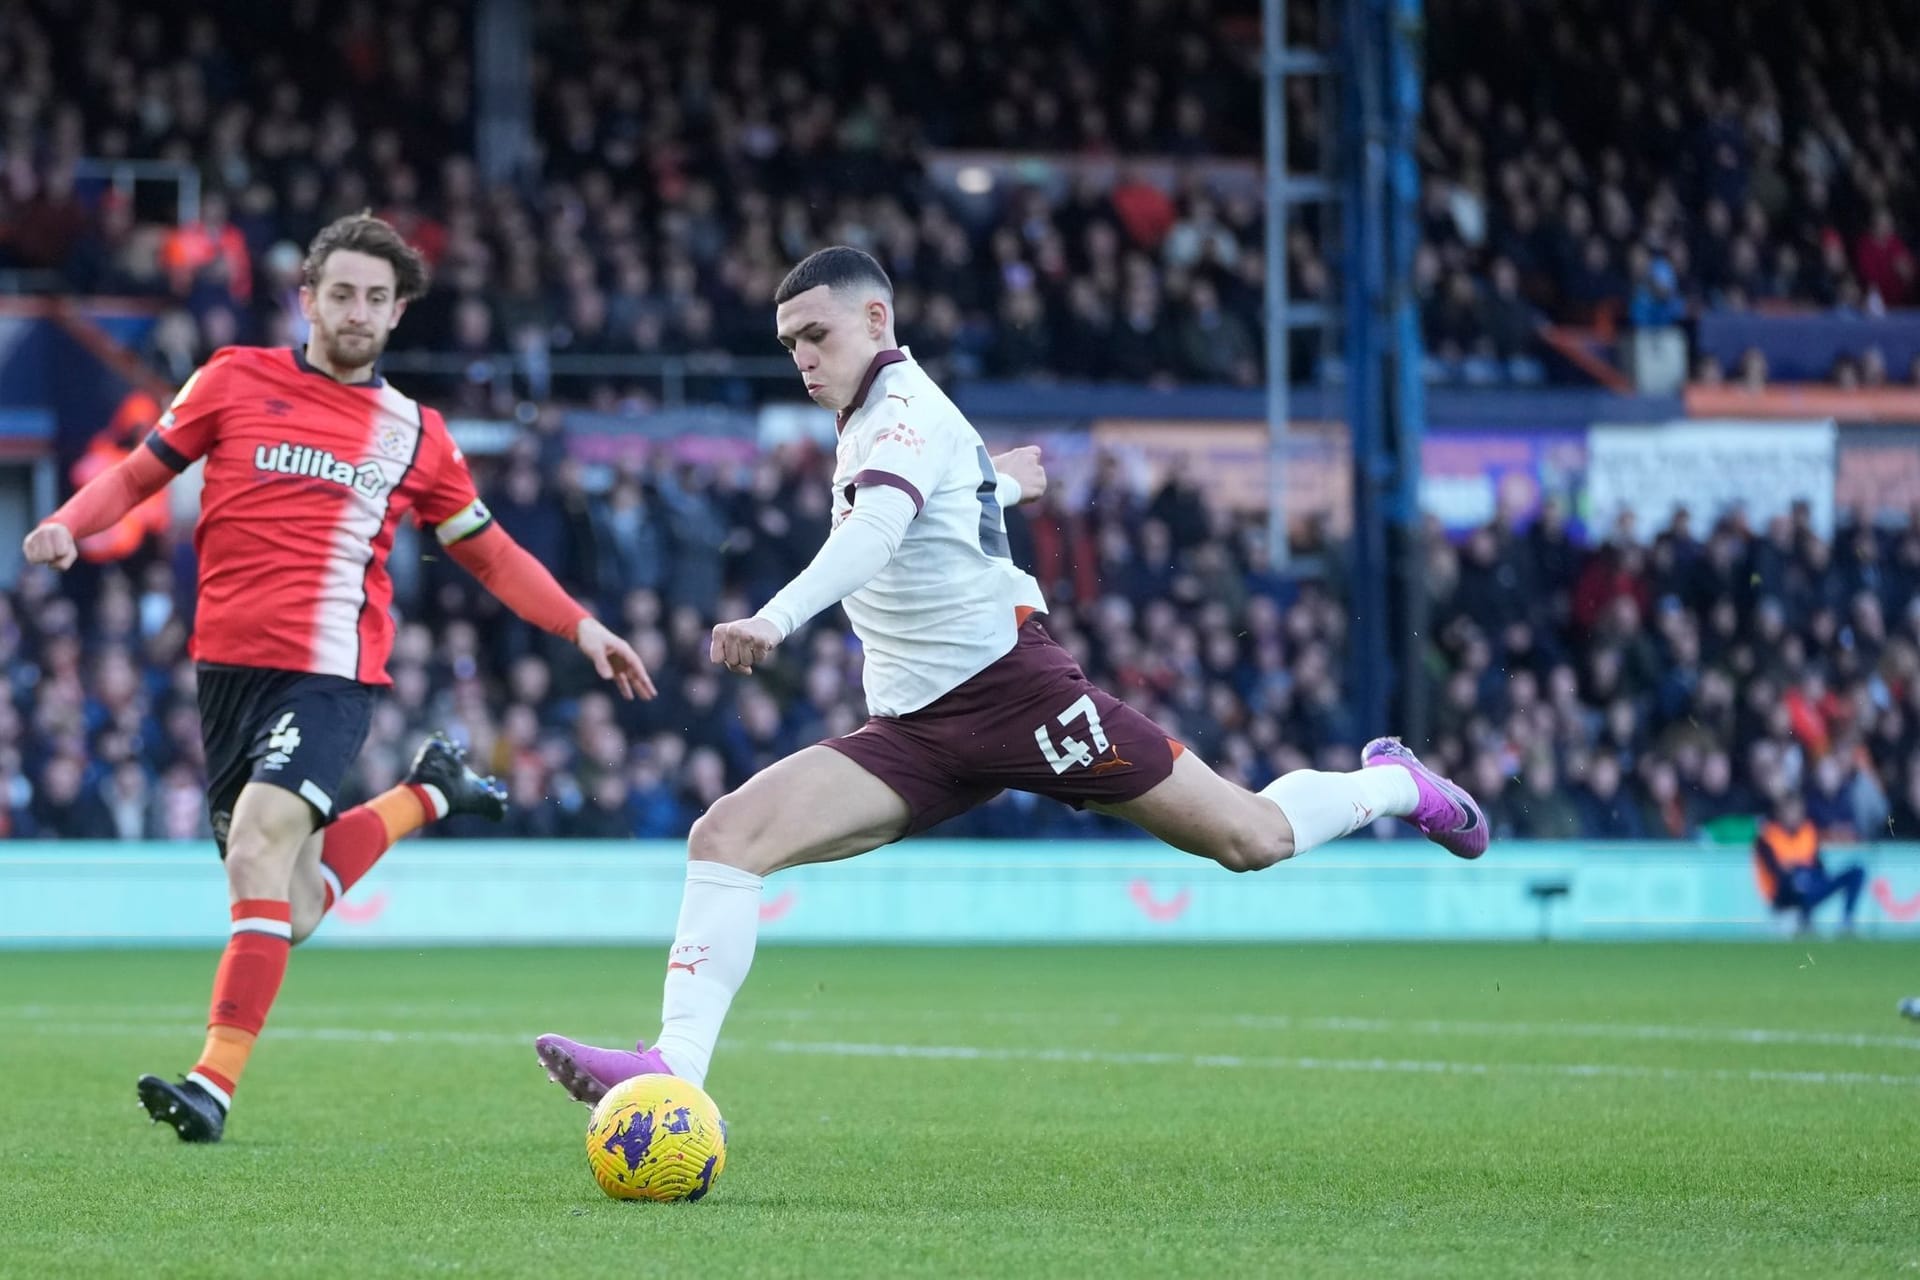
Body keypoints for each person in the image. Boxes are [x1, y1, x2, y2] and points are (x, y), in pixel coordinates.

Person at [533, 246, 1487, 1105]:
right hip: (913, 731)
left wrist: (774, 618)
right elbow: (947, 504)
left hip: (1020, 699)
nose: (803, 359)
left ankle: (1394, 782)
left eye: (816, 335)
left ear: (877, 321)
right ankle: (673, 1071)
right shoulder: (884, 417)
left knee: (1252, 838)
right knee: (727, 834)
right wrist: (1001, 481)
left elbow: (876, 530)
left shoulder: (896, 412)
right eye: (788, 345)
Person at [22, 213, 655, 1144]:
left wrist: (582, 624)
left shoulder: (416, 433)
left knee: (256, 853)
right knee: (298, 903)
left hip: (327, 672)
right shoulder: (232, 377)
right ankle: (429, 796)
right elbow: (141, 473)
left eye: (377, 299)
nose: (357, 312)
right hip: (224, 675)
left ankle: (213, 1084)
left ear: (398, 314)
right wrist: (71, 522)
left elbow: (491, 554)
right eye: (342, 292)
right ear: (307, 296)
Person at [1752, 792, 1865, 935]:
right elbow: (1776, 874)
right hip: (1784, 895)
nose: (1793, 816)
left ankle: (1846, 920)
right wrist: (1797, 871)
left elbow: (1819, 866)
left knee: (1856, 872)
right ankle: (1799, 918)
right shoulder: (1768, 837)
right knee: (1797, 878)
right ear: (1779, 813)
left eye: (1797, 811)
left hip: (1810, 886)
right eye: (1789, 811)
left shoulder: (1808, 831)